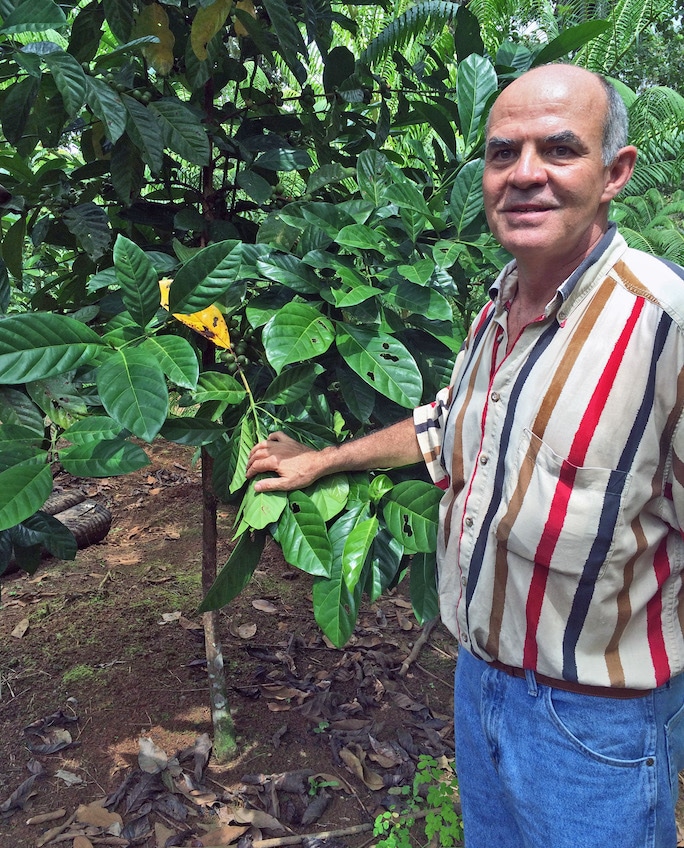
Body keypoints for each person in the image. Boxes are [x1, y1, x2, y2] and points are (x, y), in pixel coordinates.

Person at [246, 64, 684, 847]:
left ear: (615, 172)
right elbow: (447, 424)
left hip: (595, 726)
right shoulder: (498, 305)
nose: (525, 174)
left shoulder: (663, 327)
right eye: (501, 152)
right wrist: (325, 459)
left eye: (559, 149)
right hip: (478, 680)